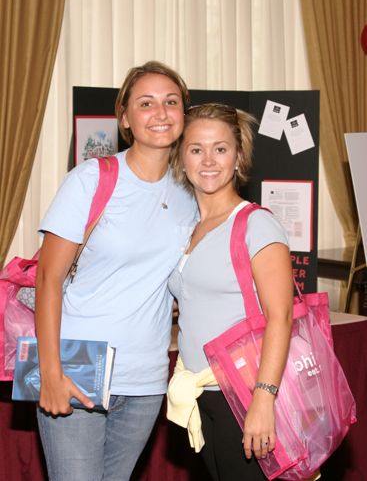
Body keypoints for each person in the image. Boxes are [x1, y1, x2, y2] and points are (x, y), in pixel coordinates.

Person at [35, 61, 198, 481]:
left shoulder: (193, 193)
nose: (160, 113)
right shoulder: (92, 179)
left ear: (184, 112)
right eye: (146, 103)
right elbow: (48, 278)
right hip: (77, 365)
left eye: (171, 102)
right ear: (125, 117)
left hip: (145, 378)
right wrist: (50, 373)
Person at [168, 103, 294, 481]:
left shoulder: (257, 225)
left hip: (241, 393)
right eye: (196, 149)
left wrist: (263, 398)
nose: (208, 160)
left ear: (238, 157)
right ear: (181, 157)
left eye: (220, 149)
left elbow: (281, 316)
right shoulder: (189, 227)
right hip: (200, 391)